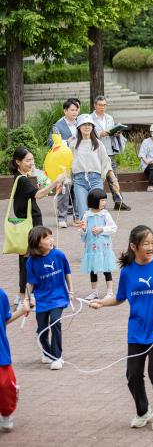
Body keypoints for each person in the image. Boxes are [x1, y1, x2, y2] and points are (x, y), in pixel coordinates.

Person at [89, 225, 153, 431]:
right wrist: (101, 303)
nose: (151, 247)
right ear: (134, 246)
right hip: (136, 330)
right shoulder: (128, 272)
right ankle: (143, 411)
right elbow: (119, 298)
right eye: (146, 244)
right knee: (132, 374)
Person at [8, 147, 64, 306]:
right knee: (31, 259)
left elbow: (37, 194)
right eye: (27, 160)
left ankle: (23, 295)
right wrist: (55, 182)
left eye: (32, 159)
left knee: (28, 259)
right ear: (18, 162)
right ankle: (25, 296)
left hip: (28, 223)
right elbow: (38, 194)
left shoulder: (21, 177)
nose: (31, 163)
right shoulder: (23, 180)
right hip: (31, 224)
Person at [25, 226, 73, 370]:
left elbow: (67, 272)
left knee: (55, 322)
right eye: (46, 238)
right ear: (37, 242)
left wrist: (71, 291)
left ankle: (57, 357)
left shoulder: (58, 255)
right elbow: (30, 283)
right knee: (42, 329)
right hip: (42, 299)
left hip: (59, 296)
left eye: (51, 236)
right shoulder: (31, 262)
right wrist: (27, 299)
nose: (51, 240)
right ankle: (47, 352)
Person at [70, 114, 119, 225]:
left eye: (89, 124)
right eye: (83, 124)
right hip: (79, 181)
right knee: (83, 213)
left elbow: (106, 164)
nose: (86, 127)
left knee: (98, 211)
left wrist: (114, 180)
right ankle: (87, 239)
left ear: (92, 127)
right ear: (78, 127)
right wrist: (64, 181)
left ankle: (99, 239)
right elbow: (68, 165)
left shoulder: (98, 144)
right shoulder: (73, 145)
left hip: (96, 180)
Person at [91, 95, 130, 211]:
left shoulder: (109, 117)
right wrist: (101, 133)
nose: (102, 107)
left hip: (109, 151)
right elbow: (89, 134)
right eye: (100, 105)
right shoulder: (90, 118)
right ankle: (95, 202)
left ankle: (119, 201)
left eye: (104, 105)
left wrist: (116, 133)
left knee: (113, 176)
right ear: (95, 105)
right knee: (96, 177)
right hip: (95, 151)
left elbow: (111, 132)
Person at [0, 286, 30, 432]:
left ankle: (6, 414)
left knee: (5, 386)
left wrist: (21, 311)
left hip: (0, 352)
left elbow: (4, 320)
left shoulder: (1, 295)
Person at [79, 189, 117, 300]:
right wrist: (84, 230)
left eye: (105, 200)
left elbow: (113, 228)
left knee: (106, 269)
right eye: (102, 200)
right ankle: (94, 292)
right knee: (93, 270)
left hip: (104, 248)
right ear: (95, 201)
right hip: (91, 249)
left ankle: (109, 291)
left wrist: (102, 229)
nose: (105, 203)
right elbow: (83, 236)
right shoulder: (87, 215)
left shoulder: (105, 214)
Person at [49, 98, 81, 228]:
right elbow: (51, 143)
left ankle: (77, 217)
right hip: (64, 163)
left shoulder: (82, 123)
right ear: (65, 110)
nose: (75, 112)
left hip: (79, 161)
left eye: (77, 109)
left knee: (78, 189)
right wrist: (66, 142)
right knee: (64, 189)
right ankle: (61, 217)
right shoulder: (58, 126)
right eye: (72, 110)